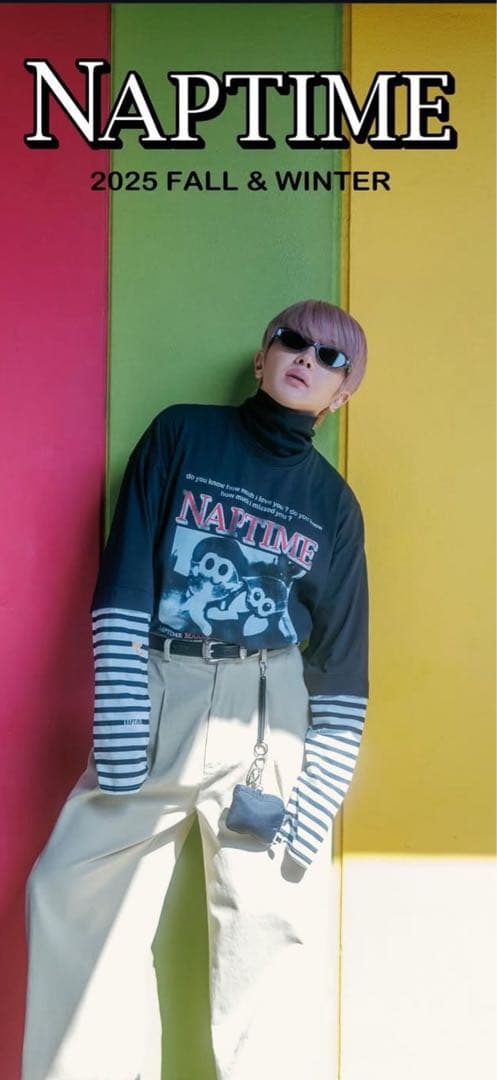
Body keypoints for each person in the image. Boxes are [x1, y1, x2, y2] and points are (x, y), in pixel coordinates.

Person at [21, 299, 370, 1080]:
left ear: (341, 395)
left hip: (267, 718)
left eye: (332, 357)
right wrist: (120, 716)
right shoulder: (182, 434)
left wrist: (319, 789)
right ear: (262, 357)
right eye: (292, 341)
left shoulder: (332, 505)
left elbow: (342, 658)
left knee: (265, 926)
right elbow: (124, 580)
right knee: (71, 893)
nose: (307, 358)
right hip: (159, 690)